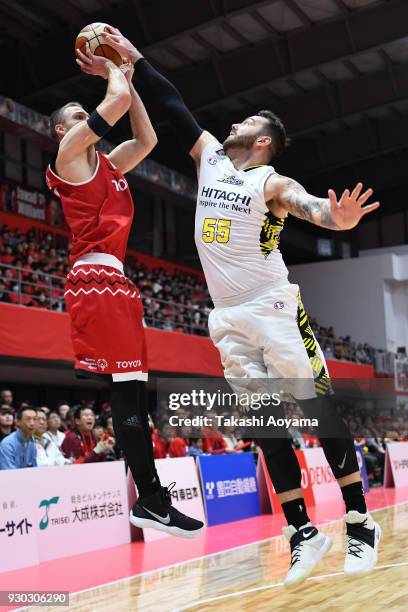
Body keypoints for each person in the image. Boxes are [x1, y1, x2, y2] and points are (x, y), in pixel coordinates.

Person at [96, 27, 381, 583]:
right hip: (226, 316)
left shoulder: (272, 180)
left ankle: (359, 523)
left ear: (265, 141)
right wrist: (133, 57)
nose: (231, 125)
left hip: (271, 305)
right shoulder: (210, 159)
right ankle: (302, 531)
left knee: (316, 409)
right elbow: (174, 107)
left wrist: (334, 218)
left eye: (244, 124)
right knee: (265, 423)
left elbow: (308, 207)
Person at [46, 44, 203, 539]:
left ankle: (151, 500)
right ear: (61, 130)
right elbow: (110, 107)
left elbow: (147, 136)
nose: (86, 117)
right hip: (95, 279)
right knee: (128, 397)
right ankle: (152, 501)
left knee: (134, 397)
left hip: (115, 281)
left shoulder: (110, 164)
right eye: (77, 115)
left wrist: (130, 81)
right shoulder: (70, 156)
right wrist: (115, 70)